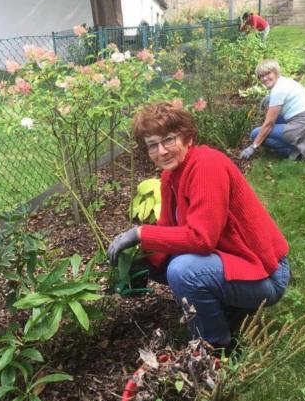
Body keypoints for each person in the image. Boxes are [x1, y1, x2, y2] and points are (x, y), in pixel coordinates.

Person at [107, 101, 291, 352]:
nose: (161, 151)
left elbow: (201, 239)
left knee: (184, 270)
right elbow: (168, 229)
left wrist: (139, 233)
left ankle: (216, 347)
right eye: (152, 145)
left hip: (267, 275)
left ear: (188, 138)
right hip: (236, 260)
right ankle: (224, 308)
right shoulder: (171, 175)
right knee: (166, 264)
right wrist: (140, 264)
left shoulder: (207, 165)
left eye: (169, 140)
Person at [239, 59, 305, 161]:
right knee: (277, 119)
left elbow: (269, 124)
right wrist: (269, 98)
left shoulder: (278, 91)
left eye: (267, 73)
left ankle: (295, 152)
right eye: (261, 76)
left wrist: (253, 147)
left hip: (304, 126)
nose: (264, 78)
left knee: (255, 134)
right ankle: (302, 143)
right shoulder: (285, 81)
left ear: (276, 72)